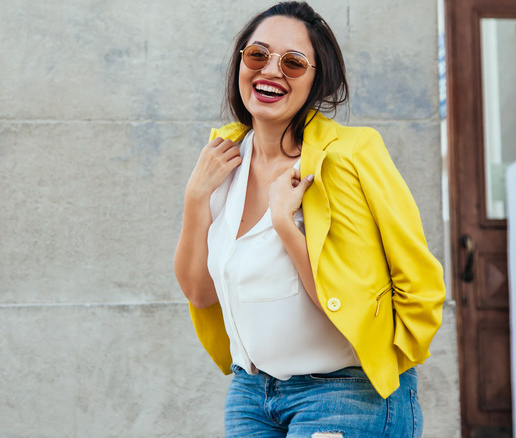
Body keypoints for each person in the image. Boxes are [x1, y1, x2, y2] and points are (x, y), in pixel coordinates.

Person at [173, 2, 446, 436]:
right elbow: (199, 292)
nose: (271, 71)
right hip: (252, 395)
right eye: (257, 55)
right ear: (240, 62)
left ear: (318, 79)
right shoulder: (222, 161)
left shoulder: (351, 155)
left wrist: (285, 223)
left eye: (294, 63)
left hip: (344, 393)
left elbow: (414, 279)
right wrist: (195, 197)